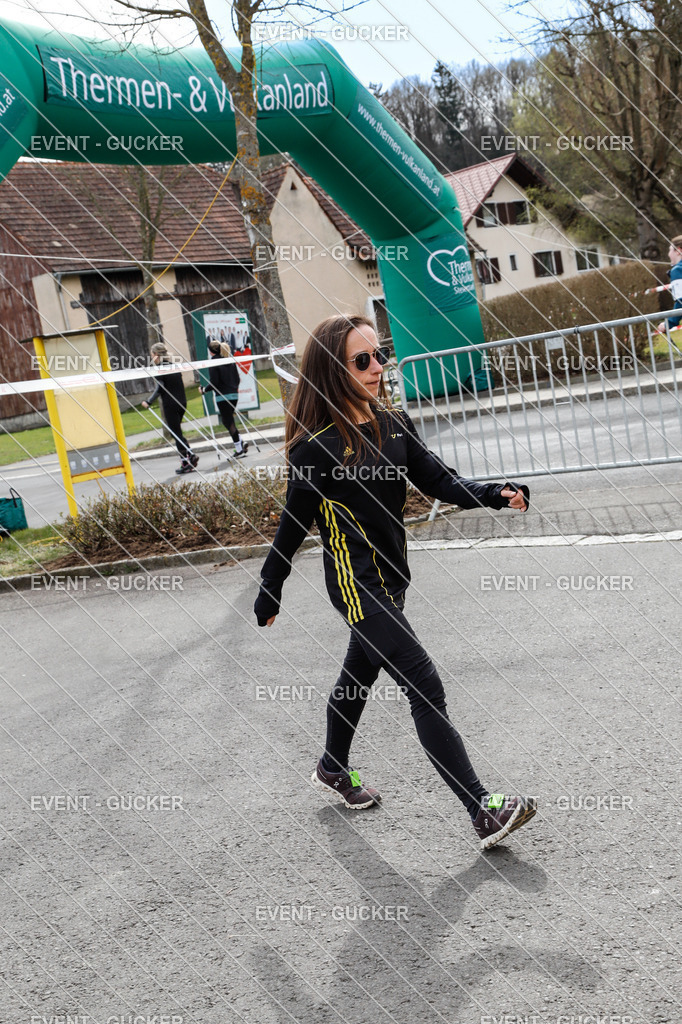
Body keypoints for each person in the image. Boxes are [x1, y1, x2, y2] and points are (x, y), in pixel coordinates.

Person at [253, 314, 537, 851]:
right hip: (357, 588)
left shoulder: (393, 425)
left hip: (393, 582)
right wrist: (271, 588)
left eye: (379, 355)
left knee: (355, 680)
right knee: (423, 683)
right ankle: (481, 811)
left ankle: (332, 767)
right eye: (362, 361)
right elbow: (291, 528)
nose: (378, 367)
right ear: (335, 370)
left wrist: (495, 493)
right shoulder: (314, 449)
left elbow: (440, 481)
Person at [141, 342, 198, 475]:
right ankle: (190, 456)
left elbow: (160, 387)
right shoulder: (174, 366)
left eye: (152, 355)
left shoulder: (160, 369)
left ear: (156, 355)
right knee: (176, 432)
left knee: (176, 434)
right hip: (182, 402)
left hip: (170, 404)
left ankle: (187, 461)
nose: (152, 357)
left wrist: (149, 401)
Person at [200, 340, 249, 459]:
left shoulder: (214, 362)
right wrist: (233, 388)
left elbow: (214, 382)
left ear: (211, 351)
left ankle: (239, 448)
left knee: (227, 422)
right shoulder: (229, 359)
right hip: (233, 395)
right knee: (229, 420)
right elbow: (237, 379)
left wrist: (204, 390)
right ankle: (240, 441)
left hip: (222, 396)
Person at [666, 235, 682, 329]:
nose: (669, 254)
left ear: (678, 250)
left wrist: (669, 323)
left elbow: (681, 300)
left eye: (670, 250)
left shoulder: (678, 270)